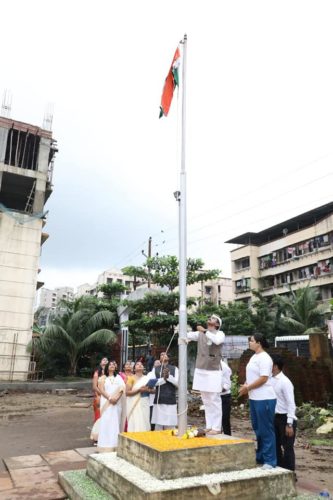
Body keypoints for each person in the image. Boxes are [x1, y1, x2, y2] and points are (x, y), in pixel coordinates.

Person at [239, 333, 277, 470]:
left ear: (259, 343)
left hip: (264, 398)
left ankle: (270, 461)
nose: (250, 342)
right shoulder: (254, 356)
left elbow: (263, 378)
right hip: (254, 398)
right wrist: (246, 385)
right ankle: (261, 455)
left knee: (266, 429)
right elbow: (252, 376)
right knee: (258, 428)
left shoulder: (265, 358)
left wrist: (247, 387)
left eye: (252, 341)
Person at [187, 315, 225, 435]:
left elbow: (217, 341)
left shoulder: (220, 334)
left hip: (213, 370)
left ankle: (217, 427)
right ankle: (210, 425)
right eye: (209, 318)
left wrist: (203, 330)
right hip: (201, 369)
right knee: (206, 399)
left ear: (217, 324)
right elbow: (187, 335)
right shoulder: (200, 334)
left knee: (214, 399)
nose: (209, 319)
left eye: (213, 319)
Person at [271, 354, 297, 471]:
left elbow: (291, 403)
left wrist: (289, 423)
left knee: (287, 447)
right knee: (275, 445)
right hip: (274, 417)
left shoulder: (285, 382)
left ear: (275, 366)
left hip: (285, 418)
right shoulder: (270, 380)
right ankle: (280, 469)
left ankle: (290, 472)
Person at [97, 361, 126, 451]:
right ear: (107, 367)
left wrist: (116, 399)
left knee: (115, 424)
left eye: (114, 364)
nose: (112, 365)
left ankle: (115, 445)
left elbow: (122, 389)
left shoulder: (119, 378)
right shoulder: (103, 378)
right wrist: (110, 398)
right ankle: (104, 446)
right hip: (106, 404)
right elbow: (101, 390)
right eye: (110, 364)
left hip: (116, 404)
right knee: (106, 423)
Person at [151, 353, 178, 430]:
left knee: (171, 425)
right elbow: (153, 383)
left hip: (171, 400)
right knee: (158, 425)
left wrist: (169, 377)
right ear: (159, 359)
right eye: (161, 355)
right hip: (159, 400)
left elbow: (178, 383)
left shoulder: (174, 369)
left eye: (165, 354)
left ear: (168, 358)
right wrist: (164, 379)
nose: (163, 356)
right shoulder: (155, 369)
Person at [126, 361, 153, 432]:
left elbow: (153, 391)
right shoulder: (131, 378)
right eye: (137, 364)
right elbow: (127, 392)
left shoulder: (147, 378)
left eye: (141, 364)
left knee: (145, 420)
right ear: (134, 369)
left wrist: (148, 390)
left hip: (145, 402)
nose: (140, 365)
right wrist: (139, 390)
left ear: (143, 368)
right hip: (134, 404)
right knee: (136, 421)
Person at [91, 357, 108, 423]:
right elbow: (94, 387)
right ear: (100, 363)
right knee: (99, 416)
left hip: (107, 396)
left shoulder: (110, 373)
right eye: (103, 360)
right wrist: (102, 394)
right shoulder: (97, 372)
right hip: (99, 396)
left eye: (106, 360)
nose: (105, 361)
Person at [221, 360, 232, 435]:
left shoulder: (224, 367)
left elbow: (227, 385)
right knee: (215, 420)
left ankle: (228, 436)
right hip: (214, 396)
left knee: (225, 419)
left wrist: (216, 389)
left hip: (224, 396)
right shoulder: (210, 366)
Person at [148, 359, 161, 430]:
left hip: (162, 400)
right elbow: (147, 386)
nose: (158, 363)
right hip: (152, 400)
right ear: (153, 365)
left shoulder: (163, 373)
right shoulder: (150, 374)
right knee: (152, 419)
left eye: (159, 363)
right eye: (157, 362)